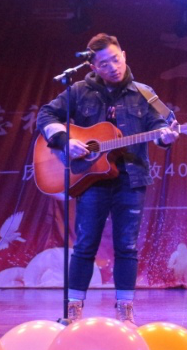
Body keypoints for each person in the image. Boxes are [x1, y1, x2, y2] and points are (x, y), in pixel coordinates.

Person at [37, 33, 179, 325]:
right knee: (85, 244)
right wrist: (65, 141)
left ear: (123, 55)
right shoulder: (79, 90)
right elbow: (46, 115)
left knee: (127, 246)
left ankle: (125, 309)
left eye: (116, 59)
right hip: (91, 178)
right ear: (93, 67)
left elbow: (159, 126)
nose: (113, 67)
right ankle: (74, 308)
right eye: (104, 64)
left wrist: (165, 137)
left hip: (131, 179)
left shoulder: (144, 93)